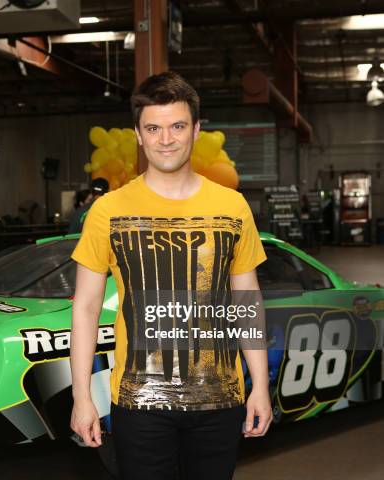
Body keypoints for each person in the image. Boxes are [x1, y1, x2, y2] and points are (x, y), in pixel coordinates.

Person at [69, 71, 271, 480]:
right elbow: (86, 308)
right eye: (154, 128)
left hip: (219, 401)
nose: (166, 139)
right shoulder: (108, 211)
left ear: (196, 130)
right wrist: (82, 398)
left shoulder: (232, 207)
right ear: (138, 136)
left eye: (177, 126)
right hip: (140, 405)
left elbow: (246, 301)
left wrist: (261, 387)